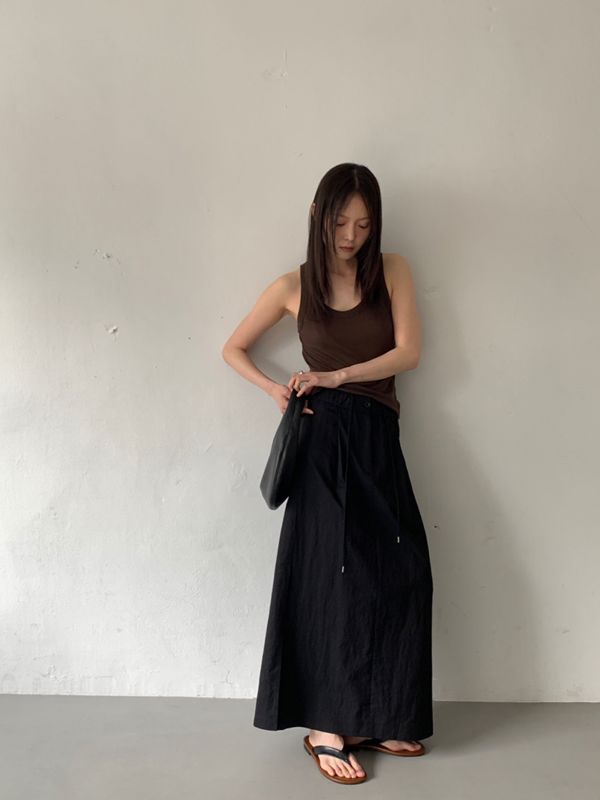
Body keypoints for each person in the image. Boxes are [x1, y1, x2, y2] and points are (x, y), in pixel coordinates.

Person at [221, 162, 434, 785]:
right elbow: (233, 347)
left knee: (403, 572)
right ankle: (325, 727)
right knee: (329, 581)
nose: (351, 236)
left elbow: (409, 352)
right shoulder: (292, 286)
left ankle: (381, 712)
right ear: (319, 215)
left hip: (377, 435)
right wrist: (274, 390)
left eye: (364, 224)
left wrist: (337, 374)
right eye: (341, 221)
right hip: (321, 438)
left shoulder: (392, 269)